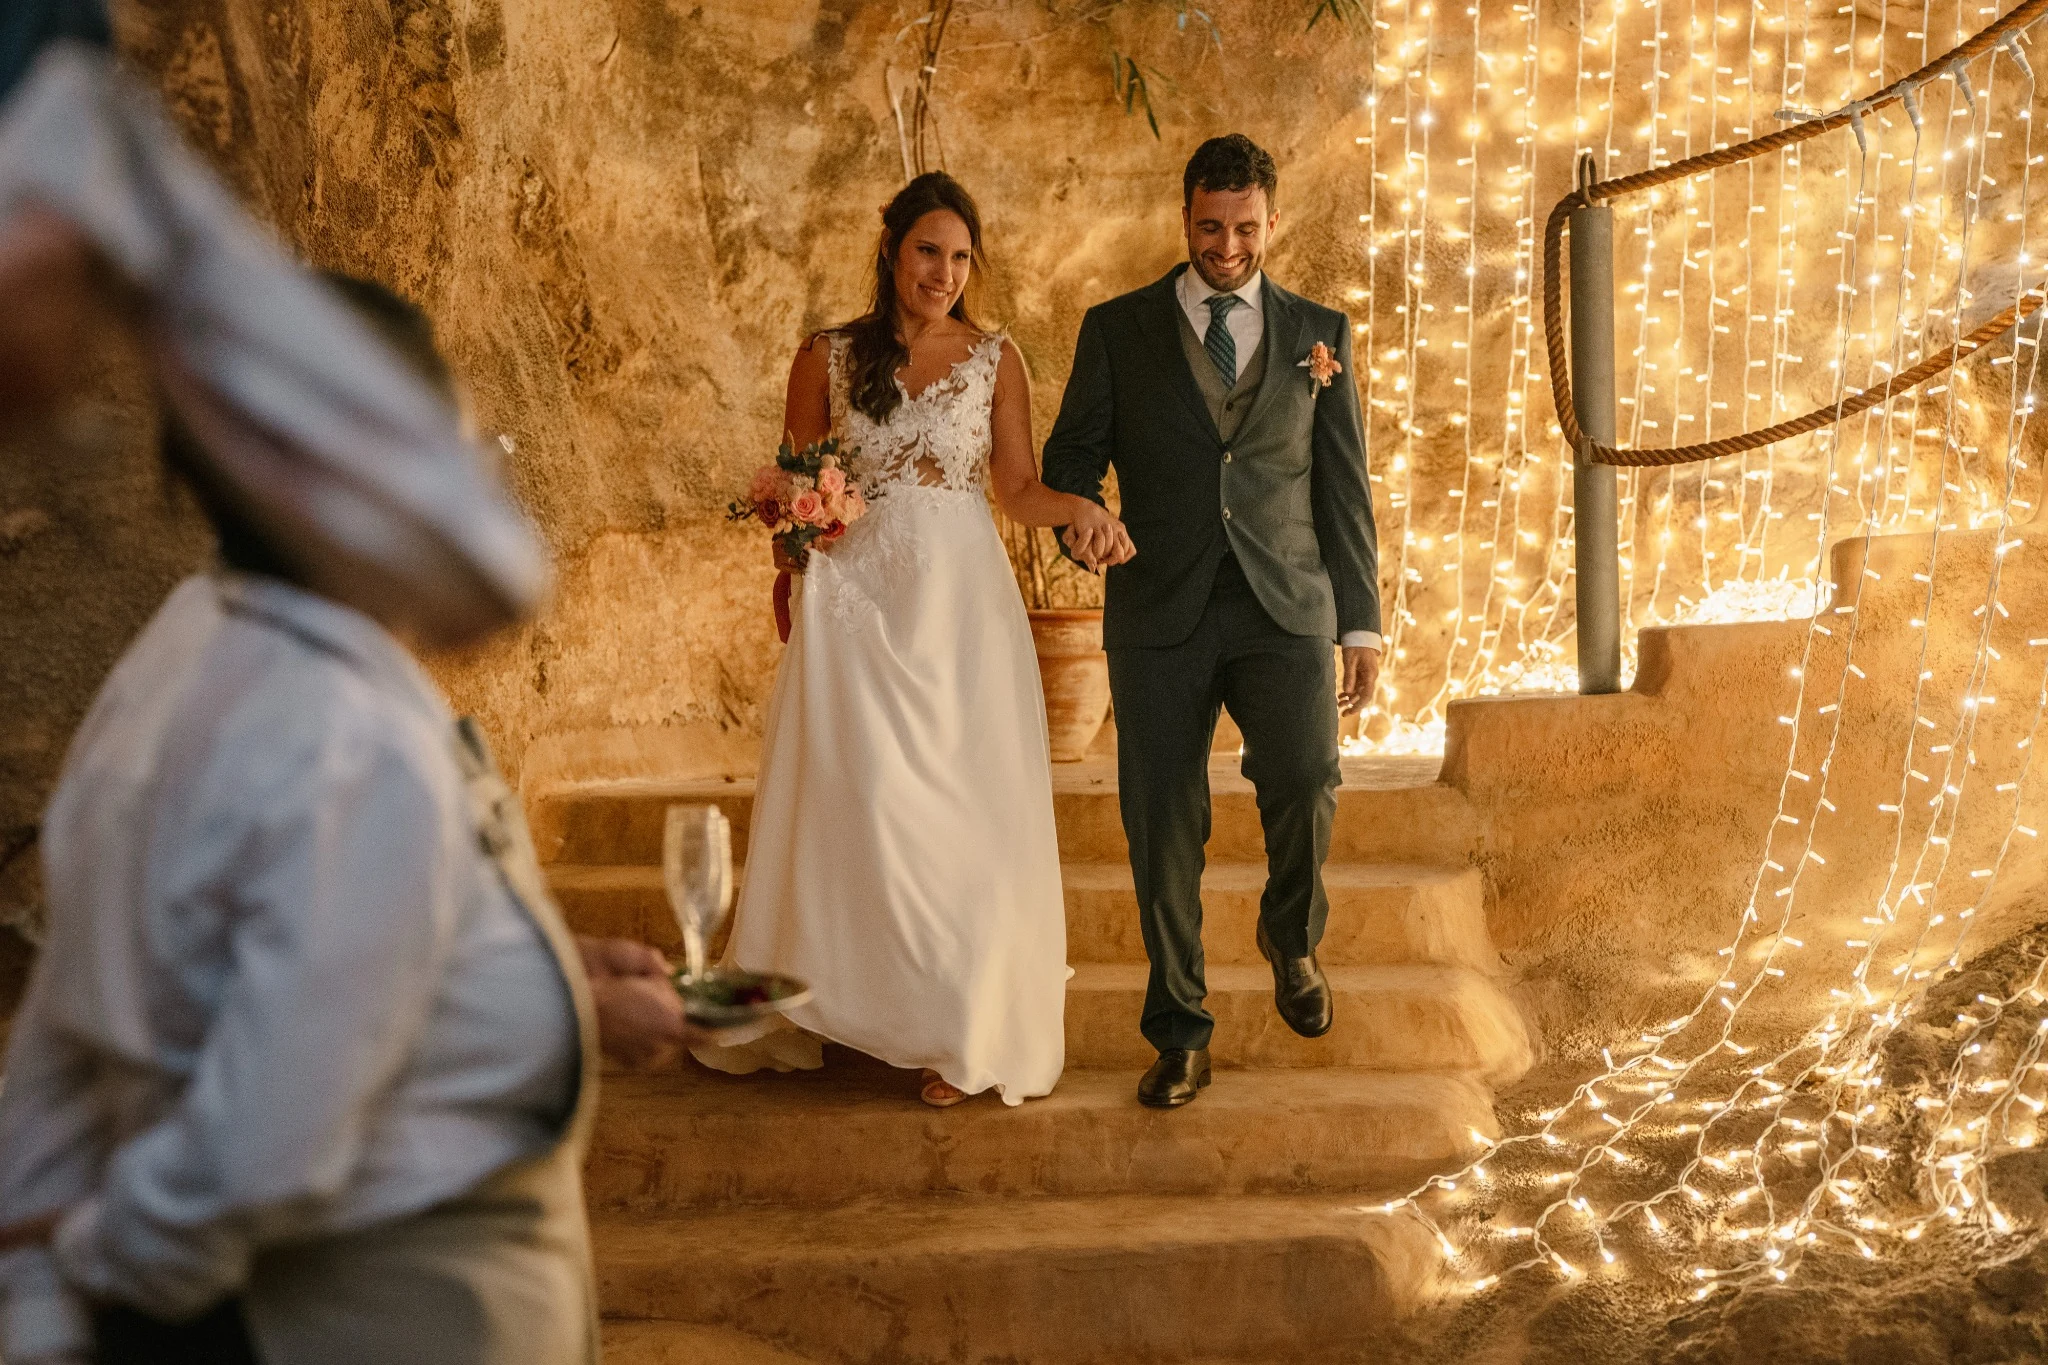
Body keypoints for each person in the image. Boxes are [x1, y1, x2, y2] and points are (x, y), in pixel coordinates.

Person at [0, 229, 701, 1365]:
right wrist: (99, 1279)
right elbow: (257, 1150)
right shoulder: (348, 745)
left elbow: (272, 977)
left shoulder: (183, 658)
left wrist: (539, 969)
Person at [692, 172, 1131, 1108]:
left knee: (961, 813)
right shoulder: (825, 356)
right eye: (929, 250)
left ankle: (958, 1027)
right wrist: (796, 535)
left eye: (961, 257)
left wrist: (1082, 507)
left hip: (961, 606)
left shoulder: (994, 358)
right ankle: (851, 1000)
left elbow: (1014, 489)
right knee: (870, 802)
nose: (944, 272)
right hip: (855, 601)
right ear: (891, 246)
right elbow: (793, 496)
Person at [1042, 133, 1382, 1109]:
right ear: (1181, 216)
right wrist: (1083, 524)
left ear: (1272, 222)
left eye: (1242, 227)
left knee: (1307, 773)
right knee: (1160, 824)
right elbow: (1070, 466)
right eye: (1206, 225)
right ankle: (1180, 1029)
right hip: (1157, 606)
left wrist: (1358, 624)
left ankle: (1289, 933)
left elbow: (1342, 490)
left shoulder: (1322, 333)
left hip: (1285, 603)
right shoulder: (1116, 330)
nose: (1224, 245)